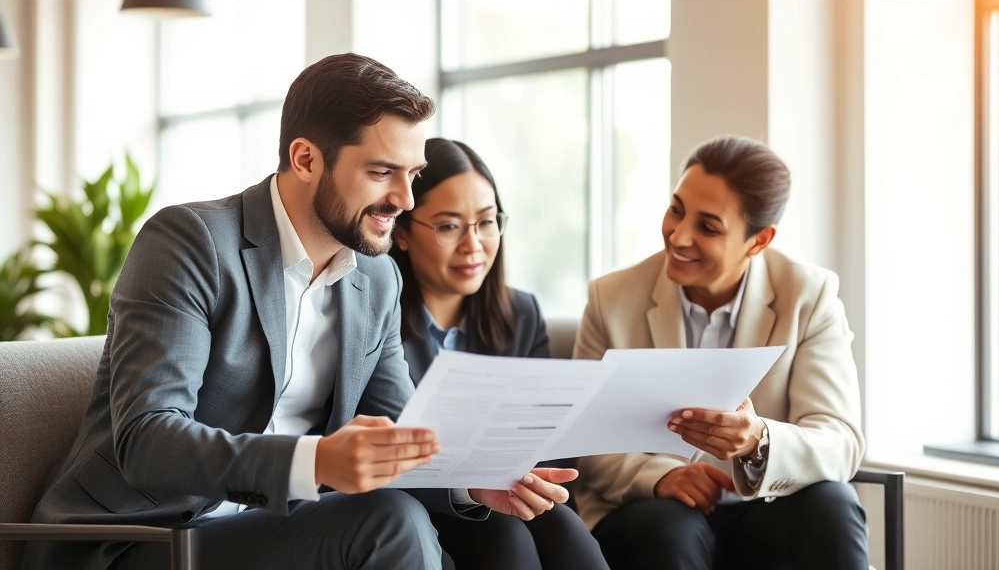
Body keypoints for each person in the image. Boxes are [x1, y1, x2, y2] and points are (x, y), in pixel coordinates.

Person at [23, 53, 573, 570]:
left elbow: (405, 432)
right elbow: (148, 439)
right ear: (306, 159)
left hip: (266, 530)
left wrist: (472, 480)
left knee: (441, 526)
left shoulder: (376, 278)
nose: (406, 199)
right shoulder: (189, 242)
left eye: (413, 173)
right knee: (387, 522)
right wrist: (315, 462)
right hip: (139, 537)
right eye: (383, 172)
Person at [573, 136, 869, 570]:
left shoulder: (809, 297)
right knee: (671, 528)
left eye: (707, 227)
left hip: (768, 508)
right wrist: (662, 477)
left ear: (758, 240)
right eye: (676, 209)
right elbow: (587, 437)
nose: (678, 235)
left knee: (833, 504)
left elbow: (839, 441)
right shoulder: (611, 299)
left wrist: (757, 442)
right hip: (653, 513)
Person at [388, 138, 609, 570]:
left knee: (562, 525)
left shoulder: (521, 313)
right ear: (402, 234)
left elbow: (550, 436)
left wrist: (526, 477)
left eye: (486, 222)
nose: (474, 245)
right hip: (424, 501)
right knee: (503, 536)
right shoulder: (375, 320)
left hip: (509, 493)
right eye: (449, 226)